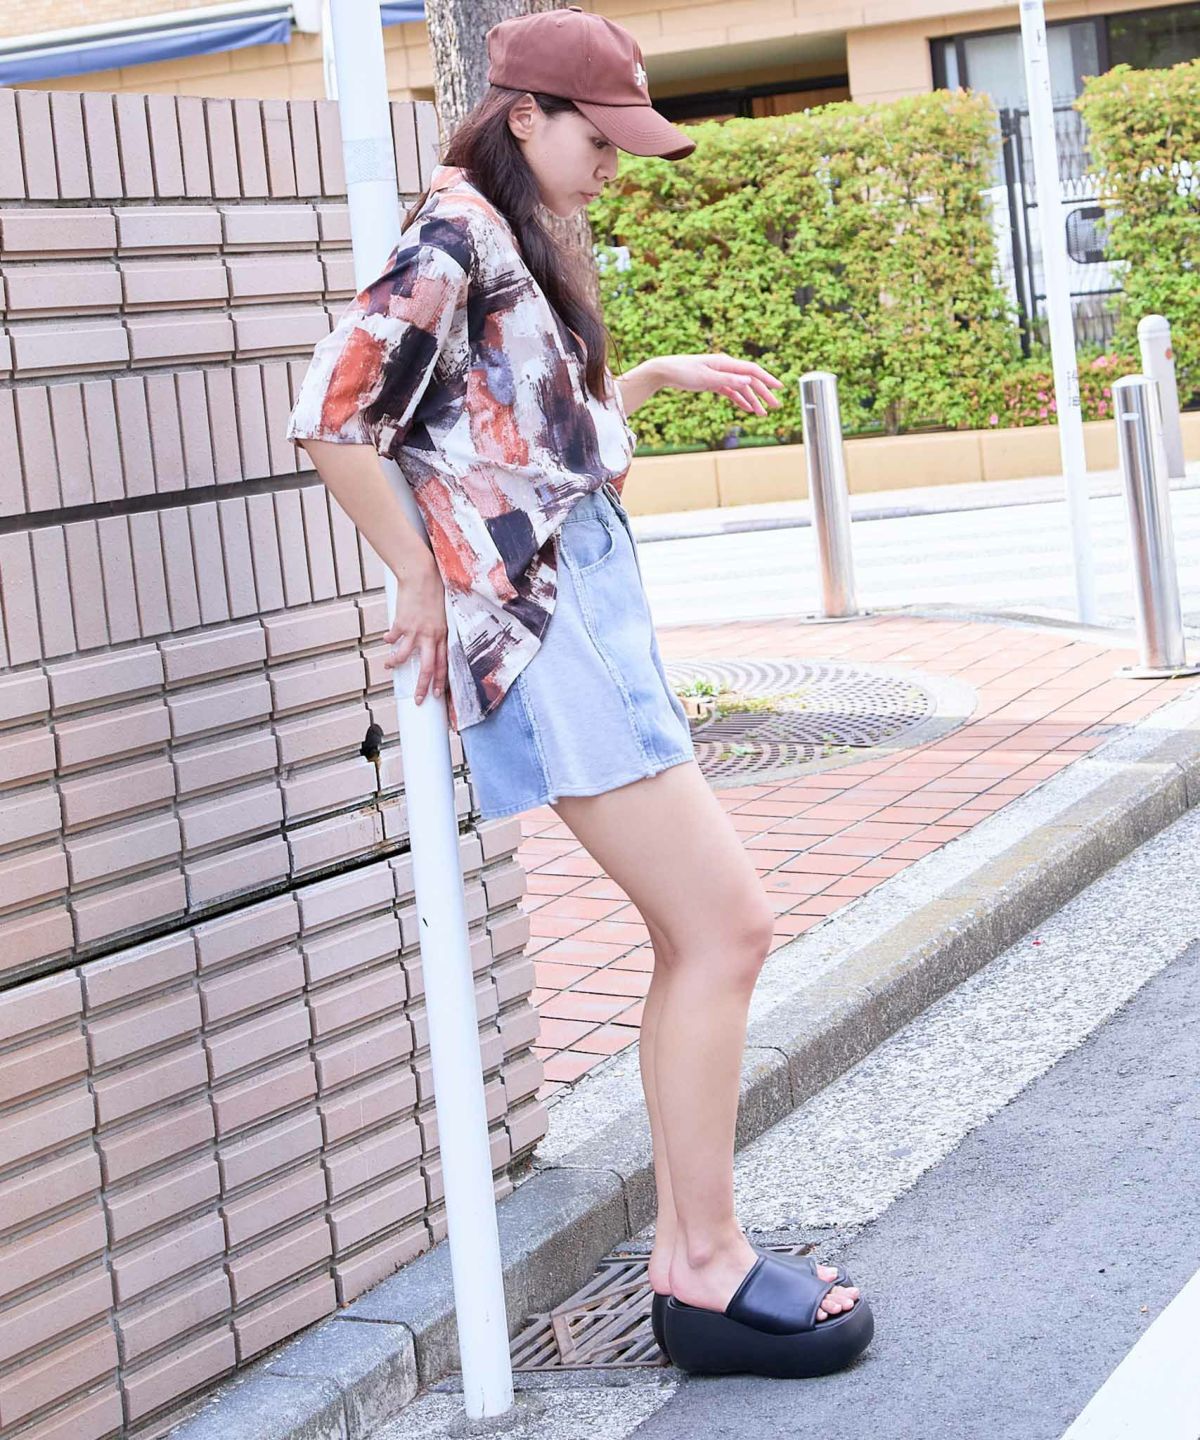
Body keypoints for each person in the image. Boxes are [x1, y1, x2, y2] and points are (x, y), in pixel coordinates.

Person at [286, 4, 872, 1380]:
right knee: (728, 928)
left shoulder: (505, 235)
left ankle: (692, 1260)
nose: (612, 163)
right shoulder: (453, 237)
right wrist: (419, 576)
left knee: (695, 937)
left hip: (585, 611)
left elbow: (511, 442)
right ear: (525, 115)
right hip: (553, 633)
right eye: (597, 137)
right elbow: (334, 417)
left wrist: (646, 378)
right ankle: (705, 1262)